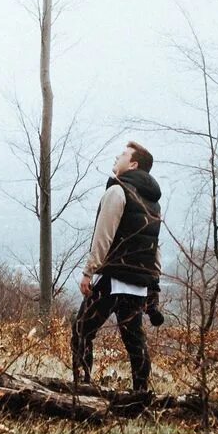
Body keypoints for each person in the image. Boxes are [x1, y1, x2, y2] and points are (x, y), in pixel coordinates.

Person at [72, 141, 163, 395]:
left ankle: (82, 392)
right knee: (135, 342)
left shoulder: (118, 191)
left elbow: (104, 235)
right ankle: (141, 396)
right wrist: (153, 281)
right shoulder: (153, 203)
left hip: (113, 277)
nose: (117, 156)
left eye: (123, 154)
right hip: (138, 284)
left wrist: (89, 271)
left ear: (133, 164)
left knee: (82, 330)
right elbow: (154, 246)